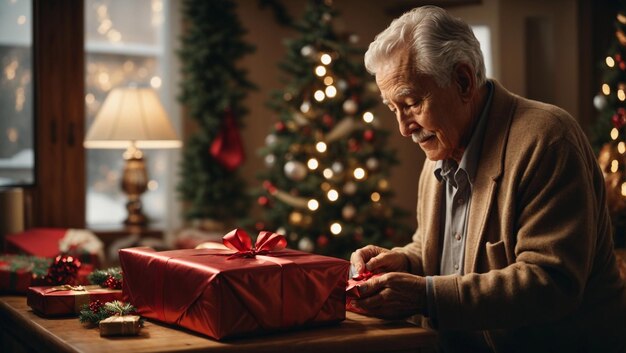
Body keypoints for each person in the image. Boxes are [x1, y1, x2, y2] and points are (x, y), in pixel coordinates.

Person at [350, 5, 626, 353]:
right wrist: (404, 261)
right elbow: (435, 249)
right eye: (394, 109)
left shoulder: (548, 138)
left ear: (463, 82)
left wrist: (426, 296)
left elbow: (551, 283)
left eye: (412, 103)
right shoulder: (439, 144)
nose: (404, 129)